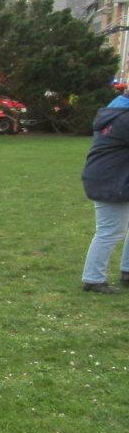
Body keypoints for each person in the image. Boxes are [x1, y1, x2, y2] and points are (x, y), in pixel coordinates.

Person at [79, 83, 129, 293]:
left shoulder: (116, 112)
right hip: (110, 179)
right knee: (109, 231)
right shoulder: (124, 119)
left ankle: (127, 271)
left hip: (113, 176)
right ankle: (93, 280)